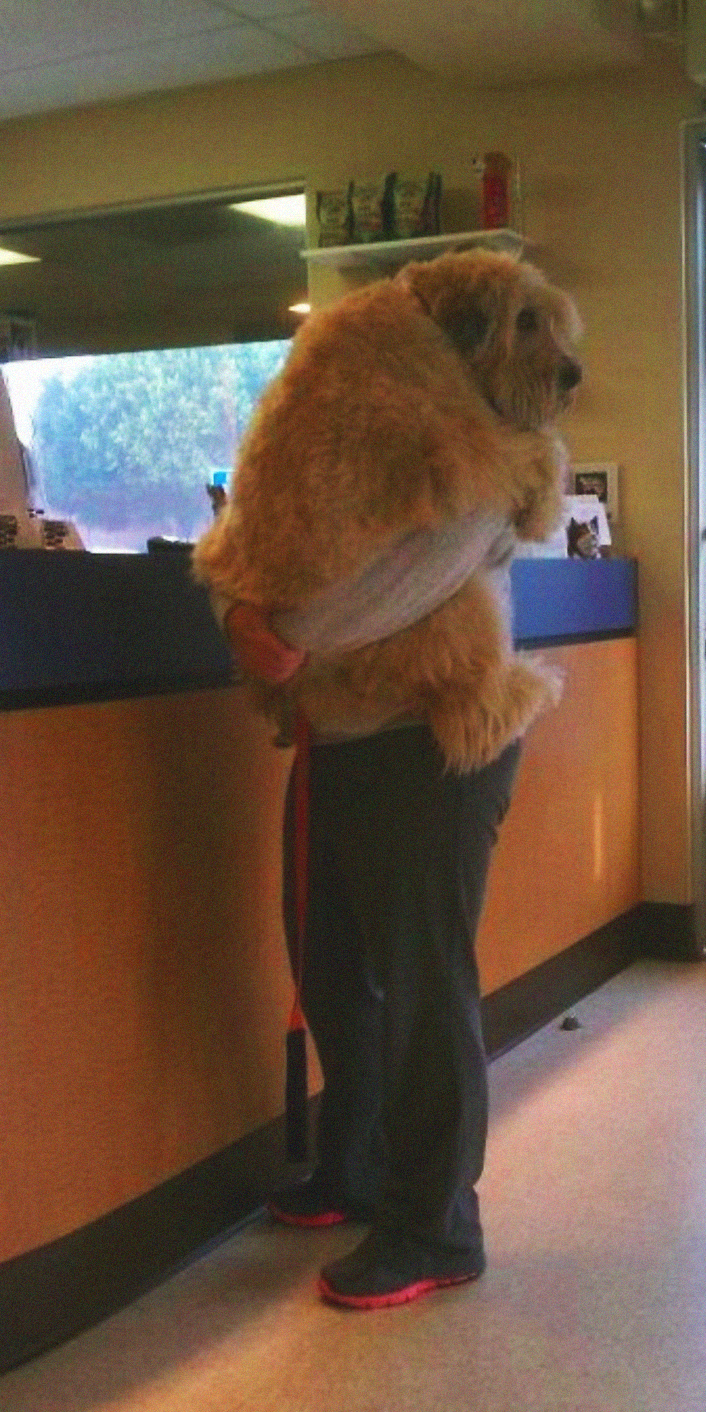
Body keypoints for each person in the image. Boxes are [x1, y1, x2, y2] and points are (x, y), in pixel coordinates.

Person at [219, 513, 528, 1309]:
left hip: (431, 734)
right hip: (337, 739)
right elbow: (240, 548)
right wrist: (236, 609)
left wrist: (270, 624)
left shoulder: (475, 445)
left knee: (424, 986)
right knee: (327, 968)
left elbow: (413, 572)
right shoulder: (313, 447)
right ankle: (357, 1168)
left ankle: (438, 1228)